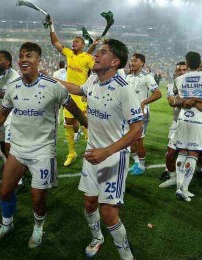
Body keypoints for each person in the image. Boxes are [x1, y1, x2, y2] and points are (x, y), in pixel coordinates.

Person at [0, 42, 87, 248]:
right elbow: (3, 113)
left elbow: (72, 106)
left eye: (29, 56)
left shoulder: (54, 86)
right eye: (21, 56)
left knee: (37, 198)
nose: (23, 59)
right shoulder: (13, 87)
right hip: (19, 149)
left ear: (38, 60)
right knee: (5, 191)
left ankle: (38, 229)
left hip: (43, 151)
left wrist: (86, 123)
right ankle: (7, 224)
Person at [59, 39, 142, 259]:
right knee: (89, 203)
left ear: (115, 62)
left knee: (108, 212)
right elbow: (79, 89)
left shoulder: (124, 90)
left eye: (102, 52)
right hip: (91, 153)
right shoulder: (94, 79)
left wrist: (106, 152)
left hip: (113, 157)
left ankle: (127, 256)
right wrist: (53, 81)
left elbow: (136, 130)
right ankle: (97, 238)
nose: (95, 55)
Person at [49, 17, 94, 166]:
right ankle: (71, 153)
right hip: (68, 95)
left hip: (81, 95)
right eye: (73, 41)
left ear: (83, 45)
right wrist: (51, 27)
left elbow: (97, 71)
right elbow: (56, 43)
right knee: (68, 123)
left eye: (77, 41)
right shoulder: (69, 54)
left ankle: (91, 149)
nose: (73, 42)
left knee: (84, 123)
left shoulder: (87, 58)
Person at [126, 53, 162, 175]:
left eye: (135, 61)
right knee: (129, 141)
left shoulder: (147, 77)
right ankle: (136, 162)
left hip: (141, 114)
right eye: (131, 61)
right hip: (127, 114)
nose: (132, 63)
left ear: (142, 63)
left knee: (138, 140)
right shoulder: (128, 77)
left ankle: (141, 166)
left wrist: (143, 103)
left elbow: (157, 93)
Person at [173, 51, 202, 202]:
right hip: (198, 120)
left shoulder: (179, 79)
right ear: (200, 63)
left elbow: (176, 101)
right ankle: (183, 189)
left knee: (182, 151)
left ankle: (180, 188)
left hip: (183, 119)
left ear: (187, 62)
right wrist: (197, 100)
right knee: (193, 153)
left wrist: (189, 99)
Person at [159, 62, 187, 186]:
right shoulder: (171, 85)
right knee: (170, 152)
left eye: (184, 70)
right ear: (175, 72)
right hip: (176, 123)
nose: (181, 72)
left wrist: (179, 101)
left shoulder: (195, 84)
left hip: (195, 123)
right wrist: (190, 101)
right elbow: (171, 102)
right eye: (179, 70)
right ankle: (169, 172)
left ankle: (196, 170)